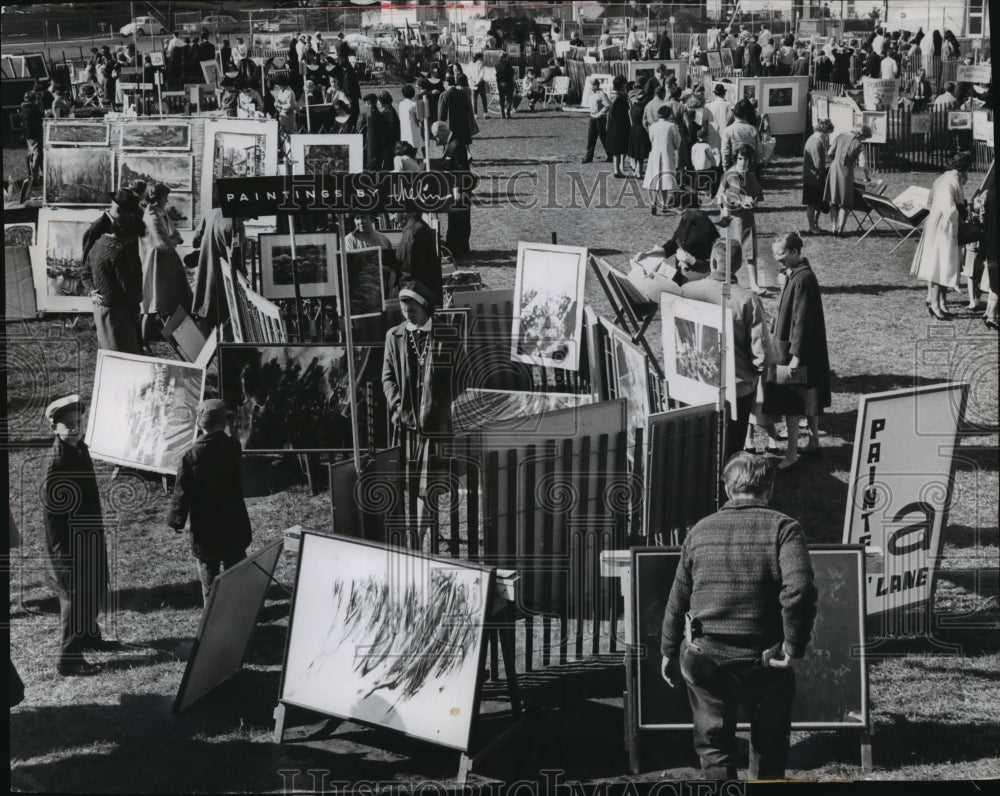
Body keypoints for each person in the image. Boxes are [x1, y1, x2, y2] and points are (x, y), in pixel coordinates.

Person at [661, 451, 816, 780]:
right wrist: (792, 645)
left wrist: (667, 649)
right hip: (765, 657)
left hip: (705, 656)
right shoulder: (784, 528)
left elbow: (678, 596)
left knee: (714, 747)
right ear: (768, 489)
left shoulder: (699, 531)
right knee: (770, 744)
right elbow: (799, 589)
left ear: (728, 489)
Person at [42, 395, 118, 676]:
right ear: (54, 428)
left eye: (78, 422)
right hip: (69, 545)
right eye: (67, 424)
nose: (75, 428)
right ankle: (68, 658)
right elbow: (54, 518)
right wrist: (64, 555)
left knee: (94, 587)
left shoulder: (78, 449)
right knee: (74, 596)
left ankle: (89, 635)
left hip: (88, 535)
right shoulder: (58, 462)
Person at [381, 281, 463, 533]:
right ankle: (420, 536)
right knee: (411, 484)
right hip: (405, 425)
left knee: (429, 488)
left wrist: (444, 406)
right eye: (404, 309)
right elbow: (387, 376)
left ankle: (421, 537)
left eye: (412, 309)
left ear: (426, 307)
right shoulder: (393, 336)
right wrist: (397, 404)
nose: (407, 313)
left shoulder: (447, 336)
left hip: (435, 425)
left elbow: (461, 376)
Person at [681, 240, 767, 458]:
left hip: (694, 382)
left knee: (699, 446)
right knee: (733, 448)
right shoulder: (747, 299)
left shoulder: (687, 291)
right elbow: (761, 356)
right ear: (738, 266)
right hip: (736, 390)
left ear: (713, 261)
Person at [168, 399, 252, 604]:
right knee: (237, 573)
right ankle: (241, 612)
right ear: (224, 424)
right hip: (233, 524)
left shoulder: (190, 456)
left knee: (209, 579)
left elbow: (182, 491)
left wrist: (176, 519)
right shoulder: (233, 447)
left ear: (199, 424)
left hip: (206, 529)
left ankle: (212, 621)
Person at [763, 233, 832, 468]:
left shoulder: (802, 279)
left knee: (791, 403)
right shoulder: (798, 275)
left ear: (794, 252)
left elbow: (801, 321)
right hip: (800, 350)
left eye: (780, 254)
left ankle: (791, 454)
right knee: (811, 399)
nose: (776, 259)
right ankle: (814, 442)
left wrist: (795, 358)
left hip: (794, 352)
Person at [910, 152, 972, 321]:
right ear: (962, 169)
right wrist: (962, 214)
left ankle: (943, 303)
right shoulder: (949, 181)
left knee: (947, 265)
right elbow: (949, 209)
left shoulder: (945, 179)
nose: (967, 175)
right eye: (967, 171)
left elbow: (930, 203)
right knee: (939, 265)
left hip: (941, 225)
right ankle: (935, 305)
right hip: (943, 228)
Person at [82, 210, 145, 354]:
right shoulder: (120, 252)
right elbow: (128, 288)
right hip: (118, 312)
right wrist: (136, 311)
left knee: (107, 352)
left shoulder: (98, 244)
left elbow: (85, 274)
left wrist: (92, 291)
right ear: (129, 234)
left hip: (99, 308)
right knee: (124, 354)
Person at [139, 183, 191, 345]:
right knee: (155, 304)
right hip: (157, 265)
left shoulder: (161, 213)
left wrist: (173, 240)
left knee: (171, 303)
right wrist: (173, 241)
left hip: (167, 264)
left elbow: (175, 235)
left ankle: (175, 340)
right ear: (157, 197)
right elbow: (163, 243)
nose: (167, 201)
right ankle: (143, 342)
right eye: (165, 198)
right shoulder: (152, 215)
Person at [716, 145, 765, 295]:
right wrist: (738, 202)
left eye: (746, 159)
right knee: (729, 252)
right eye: (739, 158)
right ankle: (725, 284)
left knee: (750, 250)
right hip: (732, 218)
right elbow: (721, 197)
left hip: (746, 218)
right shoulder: (729, 175)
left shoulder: (750, 175)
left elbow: (757, 194)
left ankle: (754, 285)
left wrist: (753, 202)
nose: (743, 162)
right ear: (735, 159)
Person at [190, 207, 246, 337]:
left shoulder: (213, 212)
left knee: (204, 310)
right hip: (221, 276)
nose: (246, 220)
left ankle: (203, 348)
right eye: (248, 217)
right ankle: (219, 347)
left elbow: (195, 241)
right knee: (223, 315)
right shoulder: (236, 226)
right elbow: (237, 262)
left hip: (205, 270)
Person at [431, 120, 472, 259]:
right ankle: (454, 246)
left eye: (436, 135)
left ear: (443, 129)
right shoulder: (452, 143)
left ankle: (460, 248)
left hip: (459, 189)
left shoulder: (457, 145)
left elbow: (462, 170)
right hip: (454, 188)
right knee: (454, 218)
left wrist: (459, 189)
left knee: (461, 219)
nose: (437, 139)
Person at [823, 123, 872, 237]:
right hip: (846, 172)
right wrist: (867, 177)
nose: (864, 139)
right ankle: (841, 230)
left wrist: (835, 160)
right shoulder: (859, 145)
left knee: (834, 201)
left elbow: (830, 152)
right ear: (861, 134)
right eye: (864, 137)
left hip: (834, 169)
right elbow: (863, 164)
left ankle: (834, 228)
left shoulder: (840, 136)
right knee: (844, 203)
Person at [395, 210, 442, 304]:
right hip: (424, 289)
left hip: (415, 294)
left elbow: (407, 271)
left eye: (396, 211)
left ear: (405, 212)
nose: (394, 215)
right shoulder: (419, 227)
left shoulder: (412, 232)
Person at [644, 105, 681, 215]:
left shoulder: (652, 126)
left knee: (654, 180)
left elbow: (651, 139)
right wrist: (673, 148)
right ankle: (664, 205)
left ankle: (653, 203)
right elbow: (677, 141)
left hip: (655, 154)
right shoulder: (672, 126)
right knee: (665, 181)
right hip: (667, 154)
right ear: (669, 114)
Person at [802, 119, 833, 235]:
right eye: (828, 133)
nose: (827, 137)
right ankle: (811, 226)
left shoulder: (813, 139)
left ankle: (815, 224)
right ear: (824, 131)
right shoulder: (816, 142)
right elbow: (818, 162)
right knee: (812, 203)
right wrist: (824, 173)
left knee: (817, 202)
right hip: (813, 177)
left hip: (814, 176)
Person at [720, 99, 760, 170]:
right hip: (750, 164)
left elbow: (725, 151)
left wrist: (725, 166)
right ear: (747, 115)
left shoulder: (727, 130)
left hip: (734, 165)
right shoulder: (753, 129)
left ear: (733, 114)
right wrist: (756, 164)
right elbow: (759, 150)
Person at [605, 75, 631, 178]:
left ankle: (616, 169)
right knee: (621, 147)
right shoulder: (620, 96)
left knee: (616, 148)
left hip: (613, 123)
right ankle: (618, 169)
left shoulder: (612, 94)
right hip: (621, 123)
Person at [438, 73, 475, 143]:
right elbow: (467, 108)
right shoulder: (462, 93)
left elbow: (442, 114)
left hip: (451, 125)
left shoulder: (444, 94)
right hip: (463, 126)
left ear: (447, 83)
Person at [582, 78, 611, 163]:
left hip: (600, 119)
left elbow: (608, 105)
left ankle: (610, 155)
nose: (591, 87)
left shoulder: (601, 94)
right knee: (591, 138)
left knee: (603, 137)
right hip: (592, 117)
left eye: (592, 85)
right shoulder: (592, 94)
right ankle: (588, 157)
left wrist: (600, 113)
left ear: (596, 85)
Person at [626, 83, 651, 177]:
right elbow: (645, 121)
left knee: (635, 152)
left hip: (634, 129)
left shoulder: (632, 107)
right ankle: (639, 171)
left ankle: (636, 170)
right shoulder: (643, 109)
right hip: (641, 130)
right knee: (641, 153)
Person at [466, 52, 489, 119]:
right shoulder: (480, 64)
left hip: (473, 83)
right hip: (480, 83)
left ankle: (475, 114)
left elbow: (468, 74)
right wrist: (477, 81)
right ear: (479, 57)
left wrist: (472, 81)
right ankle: (485, 113)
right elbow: (481, 75)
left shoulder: (469, 65)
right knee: (483, 99)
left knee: (474, 100)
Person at [495, 51, 517, 119]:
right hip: (508, 83)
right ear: (505, 57)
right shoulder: (508, 64)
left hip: (500, 83)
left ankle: (502, 114)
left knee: (502, 99)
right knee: (509, 99)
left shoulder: (497, 64)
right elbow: (512, 73)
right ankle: (508, 114)